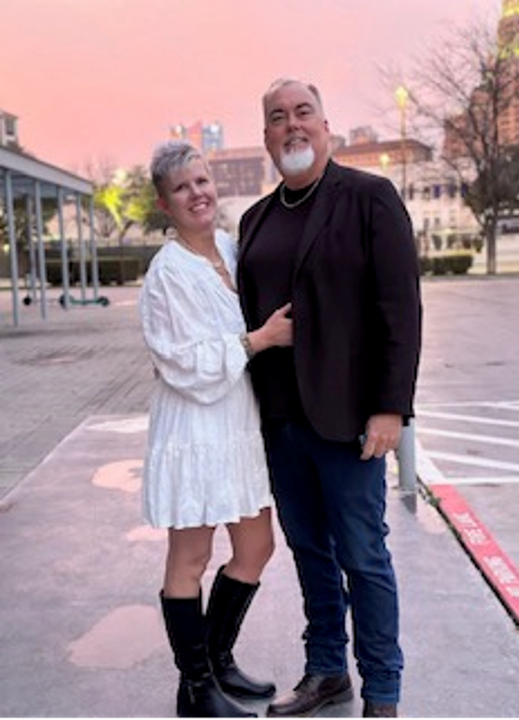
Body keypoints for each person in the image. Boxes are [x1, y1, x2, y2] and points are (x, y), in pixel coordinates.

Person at [236, 78, 422, 720]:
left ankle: (384, 692)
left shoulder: (369, 199)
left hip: (349, 421)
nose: (292, 125)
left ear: (325, 125)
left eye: (303, 113)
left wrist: (390, 406)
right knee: (310, 552)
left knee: (363, 556)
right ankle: (325, 671)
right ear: (266, 137)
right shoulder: (254, 221)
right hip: (281, 422)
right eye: (278, 117)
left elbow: (400, 310)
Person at [139, 139, 293, 720]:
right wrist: (258, 340)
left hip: (239, 422)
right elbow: (180, 362)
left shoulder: (232, 246)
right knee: (191, 555)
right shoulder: (167, 273)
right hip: (195, 427)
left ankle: (217, 659)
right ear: (164, 203)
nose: (196, 194)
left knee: (256, 545)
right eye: (182, 188)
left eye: (201, 181)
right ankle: (196, 690)